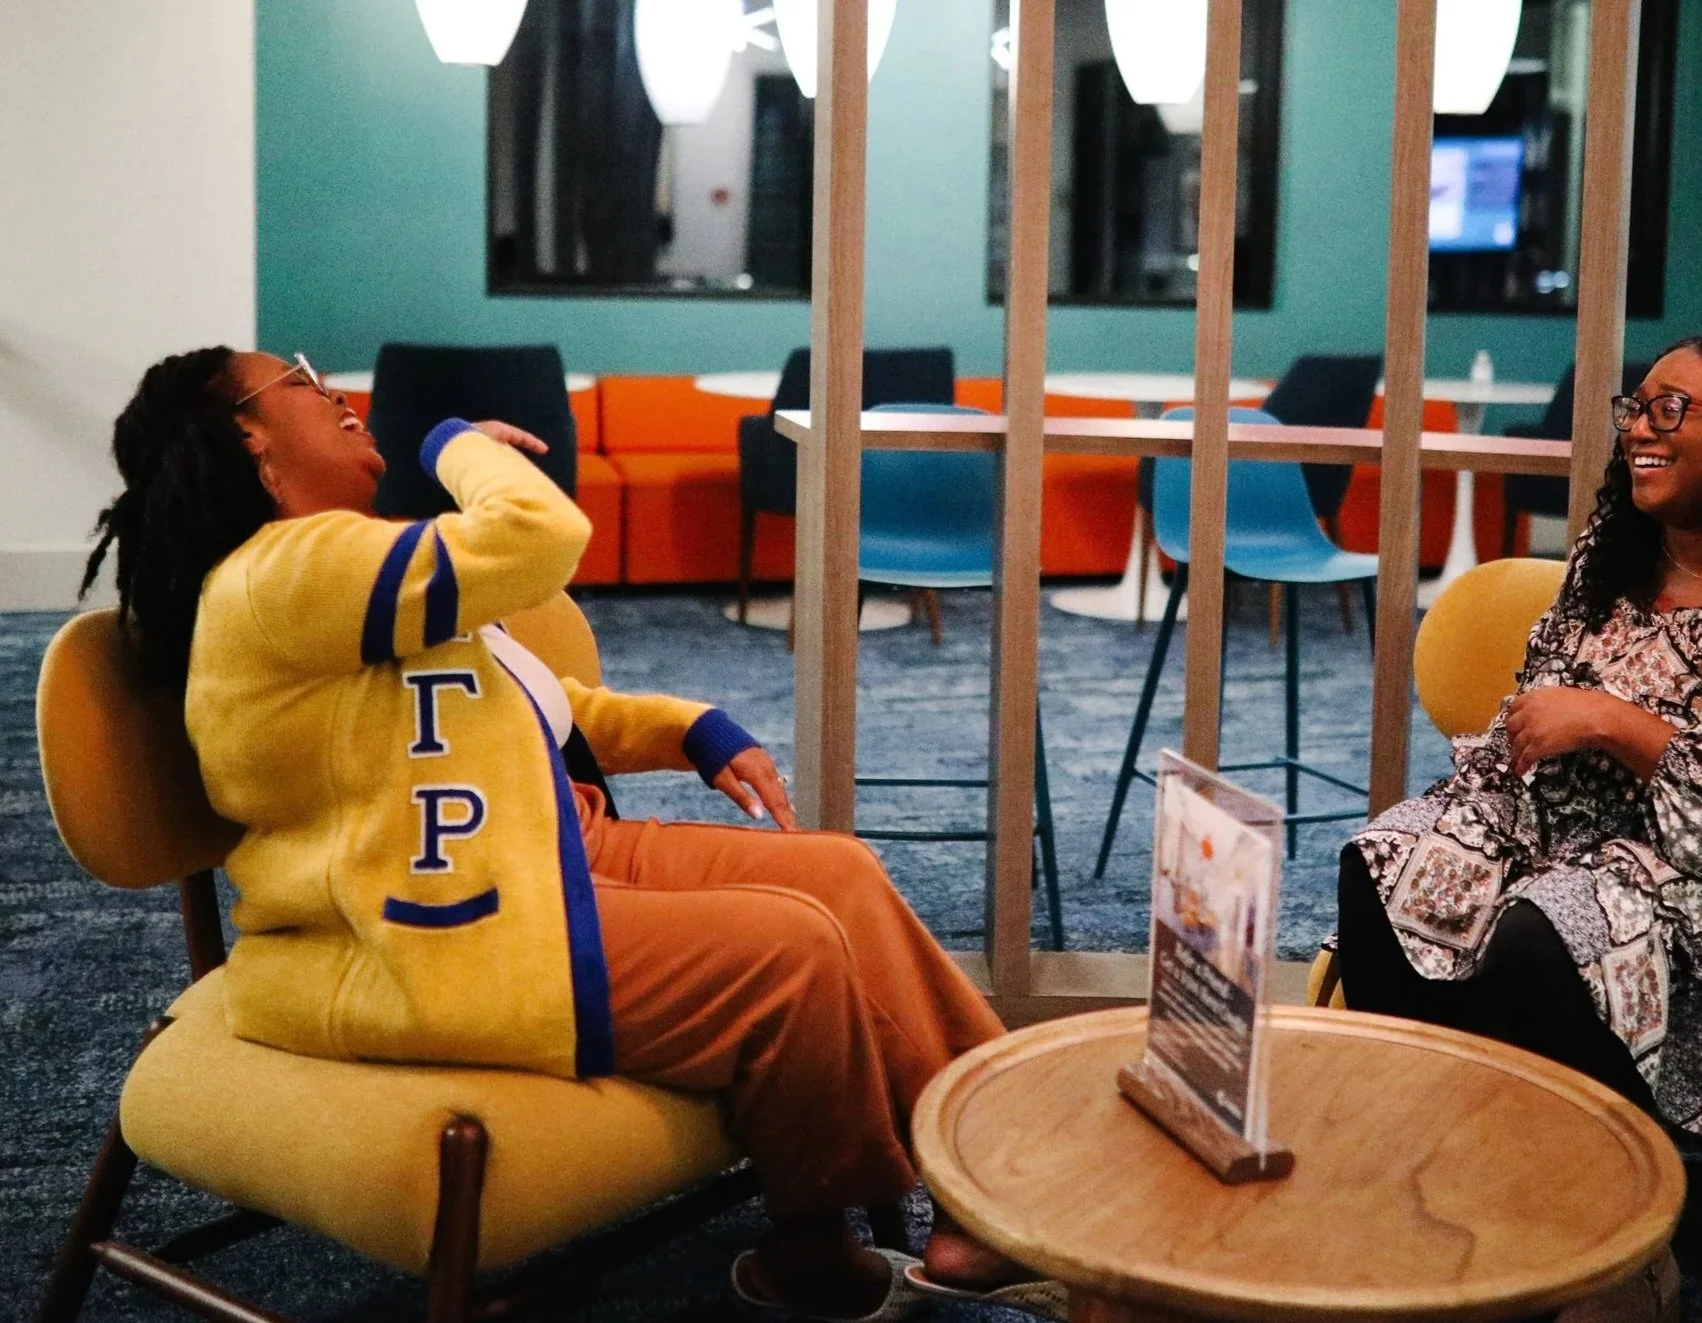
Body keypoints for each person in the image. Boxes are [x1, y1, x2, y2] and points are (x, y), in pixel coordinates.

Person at [82, 347, 1048, 1321]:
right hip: (424, 926)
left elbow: (520, 697)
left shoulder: (355, 560)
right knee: (788, 952)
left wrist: (685, 729)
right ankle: (817, 1250)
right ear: (248, 434)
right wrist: (456, 447)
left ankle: (1001, 1183)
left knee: (835, 874)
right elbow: (543, 534)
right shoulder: (287, 568)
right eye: (297, 380)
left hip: (541, 843)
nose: (333, 394)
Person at [1334, 335, 1702, 1173]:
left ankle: (1564, 1198)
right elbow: (1536, 714)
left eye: (1671, 409)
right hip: (1567, 842)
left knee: (1548, 934)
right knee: (1381, 865)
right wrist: (1492, 806)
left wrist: (1611, 722)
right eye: (1635, 407)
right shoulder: (1610, 557)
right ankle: (1420, 1144)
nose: (1638, 429)